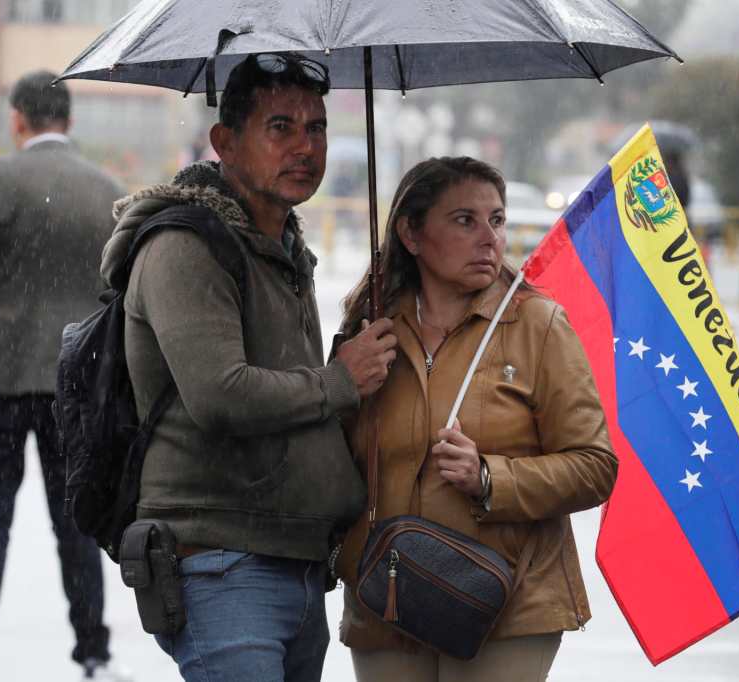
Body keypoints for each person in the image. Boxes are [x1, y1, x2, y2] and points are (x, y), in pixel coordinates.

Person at [99, 54, 396, 682]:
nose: (305, 147)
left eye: (316, 128)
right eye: (280, 127)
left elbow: (294, 385)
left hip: (295, 561)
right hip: (222, 565)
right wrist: (340, 379)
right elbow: (220, 395)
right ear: (225, 143)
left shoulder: (287, 247)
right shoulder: (186, 245)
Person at [336, 157, 618, 681]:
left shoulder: (538, 323)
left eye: (497, 220)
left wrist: (490, 478)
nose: (489, 238)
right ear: (411, 233)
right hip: (387, 596)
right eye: (464, 220)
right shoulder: (370, 327)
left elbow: (595, 465)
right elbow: (337, 461)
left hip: (508, 601)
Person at [0, 71, 129, 680]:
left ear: (19, 118)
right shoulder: (108, 193)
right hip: (78, 388)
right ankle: (92, 649)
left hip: (0, 380)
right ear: (68, 119)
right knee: (75, 522)